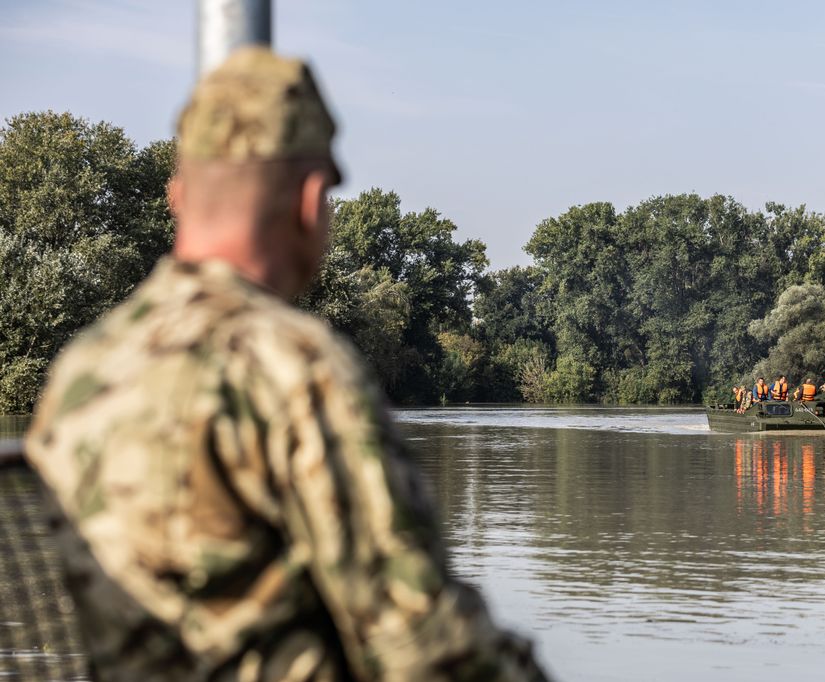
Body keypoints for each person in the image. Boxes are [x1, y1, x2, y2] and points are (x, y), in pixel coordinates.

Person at [26, 47, 549, 682]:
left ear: (176, 196)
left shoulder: (81, 369)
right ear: (309, 202)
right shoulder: (290, 365)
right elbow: (429, 649)